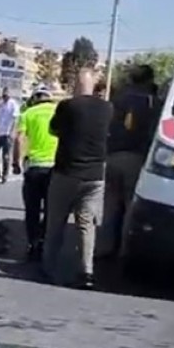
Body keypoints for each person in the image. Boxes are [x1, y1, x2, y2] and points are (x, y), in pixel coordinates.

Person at [42, 68, 113, 289]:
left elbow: (53, 130)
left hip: (67, 172)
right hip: (95, 176)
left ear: (76, 85)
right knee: (86, 224)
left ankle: (49, 268)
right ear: (93, 86)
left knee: (56, 222)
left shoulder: (68, 106)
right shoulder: (107, 108)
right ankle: (86, 272)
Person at [99, 64, 159, 259]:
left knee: (110, 205)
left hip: (113, 155)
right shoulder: (153, 102)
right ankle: (124, 251)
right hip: (136, 157)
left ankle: (105, 246)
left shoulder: (118, 99)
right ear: (149, 80)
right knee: (129, 206)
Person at [12, 86, 58, 262]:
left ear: (35, 98)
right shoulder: (58, 112)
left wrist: (15, 162)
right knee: (50, 208)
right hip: (55, 167)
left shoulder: (28, 113)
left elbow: (18, 139)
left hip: (34, 167)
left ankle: (33, 242)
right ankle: (44, 239)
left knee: (32, 208)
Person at [0, 86, 20, 182]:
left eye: (7, 94)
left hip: (7, 133)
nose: (5, 96)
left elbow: (15, 119)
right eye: (4, 94)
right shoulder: (0, 104)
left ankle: (5, 174)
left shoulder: (13, 104)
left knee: (5, 156)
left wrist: (12, 131)